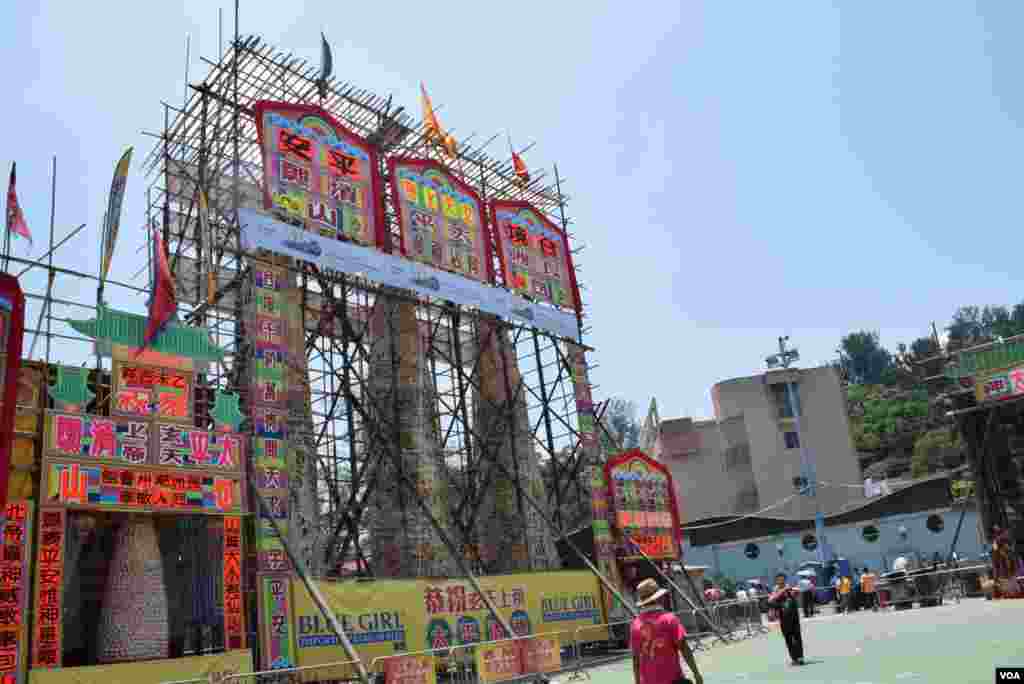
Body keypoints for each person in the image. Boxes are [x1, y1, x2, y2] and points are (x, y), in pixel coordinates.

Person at [630, 579, 704, 684]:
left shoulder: (635, 624)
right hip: (672, 679)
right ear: (659, 598)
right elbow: (684, 647)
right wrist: (696, 673)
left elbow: (635, 659)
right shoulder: (669, 619)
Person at [768, 573, 805, 666]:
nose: (781, 581)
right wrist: (782, 591)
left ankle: (800, 657)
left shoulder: (790, 588)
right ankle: (794, 658)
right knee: (788, 639)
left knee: (797, 637)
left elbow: (798, 592)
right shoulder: (775, 590)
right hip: (784, 619)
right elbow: (771, 599)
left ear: (785, 580)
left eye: (782, 579)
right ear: (776, 581)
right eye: (779, 580)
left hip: (794, 617)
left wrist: (793, 591)